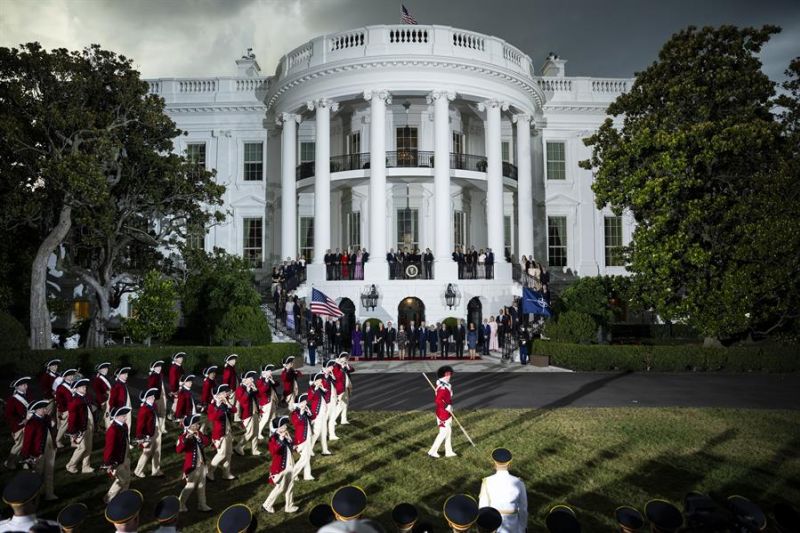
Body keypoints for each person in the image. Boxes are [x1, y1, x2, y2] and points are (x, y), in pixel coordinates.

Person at [478, 448, 528, 533]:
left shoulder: (487, 482)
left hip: (492, 526)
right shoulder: (519, 482)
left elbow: (483, 508)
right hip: (514, 527)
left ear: (494, 463)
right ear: (509, 464)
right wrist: (522, 528)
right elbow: (523, 509)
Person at [20, 400, 58, 501]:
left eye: (45, 408)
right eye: (43, 409)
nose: (45, 410)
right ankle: (34, 497)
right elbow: (27, 442)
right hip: (38, 452)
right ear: (37, 410)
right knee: (37, 474)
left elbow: (52, 429)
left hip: (50, 448)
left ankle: (49, 494)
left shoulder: (46, 418)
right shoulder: (31, 423)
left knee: (49, 473)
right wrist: (26, 456)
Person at [176, 414, 213, 512]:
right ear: (190, 426)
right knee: (190, 486)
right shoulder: (183, 437)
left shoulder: (199, 434)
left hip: (201, 465)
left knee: (202, 485)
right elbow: (179, 449)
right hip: (192, 467)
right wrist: (185, 439)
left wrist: (199, 437)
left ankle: (202, 504)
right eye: (196, 424)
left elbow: (207, 441)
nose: (198, 426)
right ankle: (180, 504)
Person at [262, 416, 298, 513]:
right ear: (277, 428)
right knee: (280, 487)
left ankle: (289, 506)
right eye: (282, 426)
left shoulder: (286, 434)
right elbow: (274, 452)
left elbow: (292, 446)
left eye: (285, 425)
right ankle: (267, 505)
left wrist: (289, 439)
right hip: (281, 467)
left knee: (290, 485)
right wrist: (281, 439)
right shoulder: (273, 438)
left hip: (289, 464)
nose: (285, 427)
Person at [206, 384, 237, 482]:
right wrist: (218, 406)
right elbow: (213, 418)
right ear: (217, 395)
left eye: (224, 392)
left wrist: (227, 403)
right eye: (222, 393)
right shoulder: (212, 406)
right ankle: (209, 471)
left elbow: (234, 410)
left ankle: (226, 473)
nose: (225, 394)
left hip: (227, 431)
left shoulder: (224, 403)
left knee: (228, 453)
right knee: (221, 454)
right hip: (219, 434)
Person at [65, 378, 95, 474]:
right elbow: (72, 418)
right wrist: (73, 432)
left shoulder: (86, 397)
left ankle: (86, 466)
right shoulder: (75, 401)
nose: (85, 388)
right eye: (82, 386)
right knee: (82, 448)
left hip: (89, 425)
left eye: (85, 386)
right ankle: (70, 465)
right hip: (80, 428)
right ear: (76, 389)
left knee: (89, 447)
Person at [103, 406, 132, 504]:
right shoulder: (112, 430)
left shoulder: (124, 426)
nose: (126, 418)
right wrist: (109, 463)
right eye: (123, 416)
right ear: (116, 417)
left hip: (125, 456)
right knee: (121, 480)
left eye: (125, 415)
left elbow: (125, 441)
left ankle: (123, 496)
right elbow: (109, 448)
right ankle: (108, 498)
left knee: (128, 478)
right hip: (117, 460)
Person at [134, 387, 164, 479]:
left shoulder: (152, 406)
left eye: (153, 396)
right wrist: (141, 438)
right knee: (147, 452)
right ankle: (138, 471)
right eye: (151, 397)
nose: (154, 398)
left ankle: (156, 470)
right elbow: (140, 426)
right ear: (146, 399)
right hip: (148, 434)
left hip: (156, 430)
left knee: (157, 450)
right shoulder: (143, 410)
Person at [427, 366, 457, 458]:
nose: (449, 376)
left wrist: (450, 406)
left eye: (449, 374)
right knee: (443, 432)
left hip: (447, 411)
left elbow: (448, 398)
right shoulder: (443, 387)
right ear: (443, 376)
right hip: (442, 413)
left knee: (448, 432)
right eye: (447, 375)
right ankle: (432, 452)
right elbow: (438, 400)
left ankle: (449, 451)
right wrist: (446, 406)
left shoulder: (446, 385)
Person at [4, 376, 30, 470]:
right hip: (19, 426)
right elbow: (8, 415)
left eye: (26, 384)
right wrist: (20, 421)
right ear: (17, 387)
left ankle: (24, 462)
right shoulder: (13, 399)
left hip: (28, 423)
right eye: (23, 385)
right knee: (19, 445)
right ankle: (9, 462)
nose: (26, 386)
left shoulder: (27, 395)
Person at [234, 371, 261, 456]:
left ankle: (255, 449)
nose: (252, 379)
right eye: (250, 378)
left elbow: (259, 396)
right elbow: (242, 401)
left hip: (255, 411)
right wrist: (248, 391)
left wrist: (255, 390)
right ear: (244, 380)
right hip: (246, 413)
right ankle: (239, 446)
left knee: (256, 431)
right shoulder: (240, 389)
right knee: (250, 432)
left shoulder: (251, 387)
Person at [291, 393, 314, 481]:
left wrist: (308, 411)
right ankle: (293, 474)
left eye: (305, 401)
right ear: (298, 404)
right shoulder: (295, 413)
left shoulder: (305, 410)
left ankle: (307, 475)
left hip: (308, 436)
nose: (304, 403)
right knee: (305, 458)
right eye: (302, 402)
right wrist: (301, 412)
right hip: (301, 439)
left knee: (307, 456)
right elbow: (296, 423)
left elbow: (312, 417)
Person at [309, 372, 332, 456]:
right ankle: (309, 449)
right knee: (316, 432)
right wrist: (315, 389)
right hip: (317, 414)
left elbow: (327, 397)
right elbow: (310, 398)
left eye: (320, 379)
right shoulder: (312, 389)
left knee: (324, 432)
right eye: (318, 380)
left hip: (323, 413)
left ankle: (324, 449)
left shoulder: (321, 388)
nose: (320, 381)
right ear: (314, 381)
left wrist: (323, 389)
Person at [54, 368, 77, 448]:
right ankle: (57, 440)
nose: (71, 377)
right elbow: (59, 400)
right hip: (66, 410)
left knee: (74, 425)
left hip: (75, 408)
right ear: (64, 377)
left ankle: (73, 441)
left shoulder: (75, 384)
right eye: (69, 375)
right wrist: (62, 410)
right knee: (64, 427)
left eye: (72, 375)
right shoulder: (61, 387)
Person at [109, 367, 132, 437]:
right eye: (124, 374)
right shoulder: (117, 386)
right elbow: (112, 400)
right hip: (121, 409)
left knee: (127, 425)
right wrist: (114, 412)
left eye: (127, 374)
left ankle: (126, 440)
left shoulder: (123, 384)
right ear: (118, 375)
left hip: (125, 408)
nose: (126, 376)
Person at [256, 365, 277, 440]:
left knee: (273, 418)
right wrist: (267, 381)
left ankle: (272, 432)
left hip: (272, 400)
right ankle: (258, 432)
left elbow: (277, 385)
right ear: (264, 372)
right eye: (269, 371)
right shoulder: (260, 381)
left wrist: (272, 380)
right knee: (265, 418)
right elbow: (262, 391)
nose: (271, 372)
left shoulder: (269, 379)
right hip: (265, 402)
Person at [147, 361, 169, 433]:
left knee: (163, 411)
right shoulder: (153, 376)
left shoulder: (159, 375)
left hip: (162, 395)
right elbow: (151, 388)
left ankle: (162, 427)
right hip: (157, 398)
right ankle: (158, 428)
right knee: (157, 413)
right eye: (157, 367)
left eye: (160, 366)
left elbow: (162, 387)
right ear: (153, 368)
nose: (159, 368)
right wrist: (153, 398)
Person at [92, 362, 112, 430]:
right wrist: (101, 401)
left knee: (106, 415)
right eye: (104, 368)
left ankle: (102, 426)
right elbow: (97, 392)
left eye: (107, 368)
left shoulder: (106, 377)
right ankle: (99, 427)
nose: (106, 370)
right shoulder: (98, 379)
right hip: (103, 400)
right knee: (103, 415)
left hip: (108, 399)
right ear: (99, 370)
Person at [324, 361, 340, 441]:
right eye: (330, 367)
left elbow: (335, 384)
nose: (332, 368)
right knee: (324, 419)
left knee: (332, 418)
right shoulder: (321, 377)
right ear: (326, 367)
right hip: (326, 402)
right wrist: (326, 375)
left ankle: (332, 434)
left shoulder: (330, 375)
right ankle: (322, 435)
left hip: (333, 400)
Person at [167, 352, 186, 421]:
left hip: (180, 386)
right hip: (176, 388)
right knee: (176, 402)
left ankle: (175, 414)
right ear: (175, 359)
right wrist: (174, 390)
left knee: (179, 402)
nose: (181, 359)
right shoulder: (174, 368)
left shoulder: (179, 366)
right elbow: (172, 380)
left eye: (182, 358)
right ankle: (171, 415)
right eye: (180, 358)